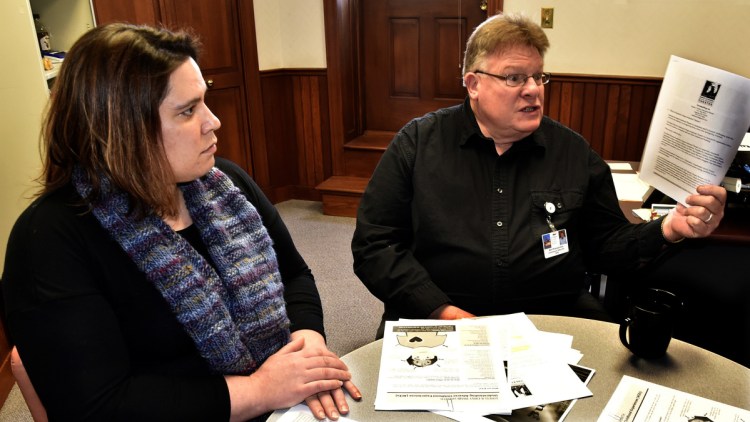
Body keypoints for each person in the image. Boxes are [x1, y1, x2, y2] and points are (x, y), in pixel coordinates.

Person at [1, 23, 360, 421]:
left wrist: (306, 344)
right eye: (188, 110)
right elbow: (99, 406)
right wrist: (260, 390)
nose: (214, 121)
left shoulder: (225, 183)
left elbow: (293, 274)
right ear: (122, 129)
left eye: (204, 102)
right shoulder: (49, 240)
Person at [351, 12, 726, 338]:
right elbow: (376, 246)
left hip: (552, 321)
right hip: (440, 319)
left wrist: (669, 228)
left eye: (538, 77)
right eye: (515, 78)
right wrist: (443, 312)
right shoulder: (417, 144)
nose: (533, 90)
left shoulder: (572, 152)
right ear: (473, 84)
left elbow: (607, 246)